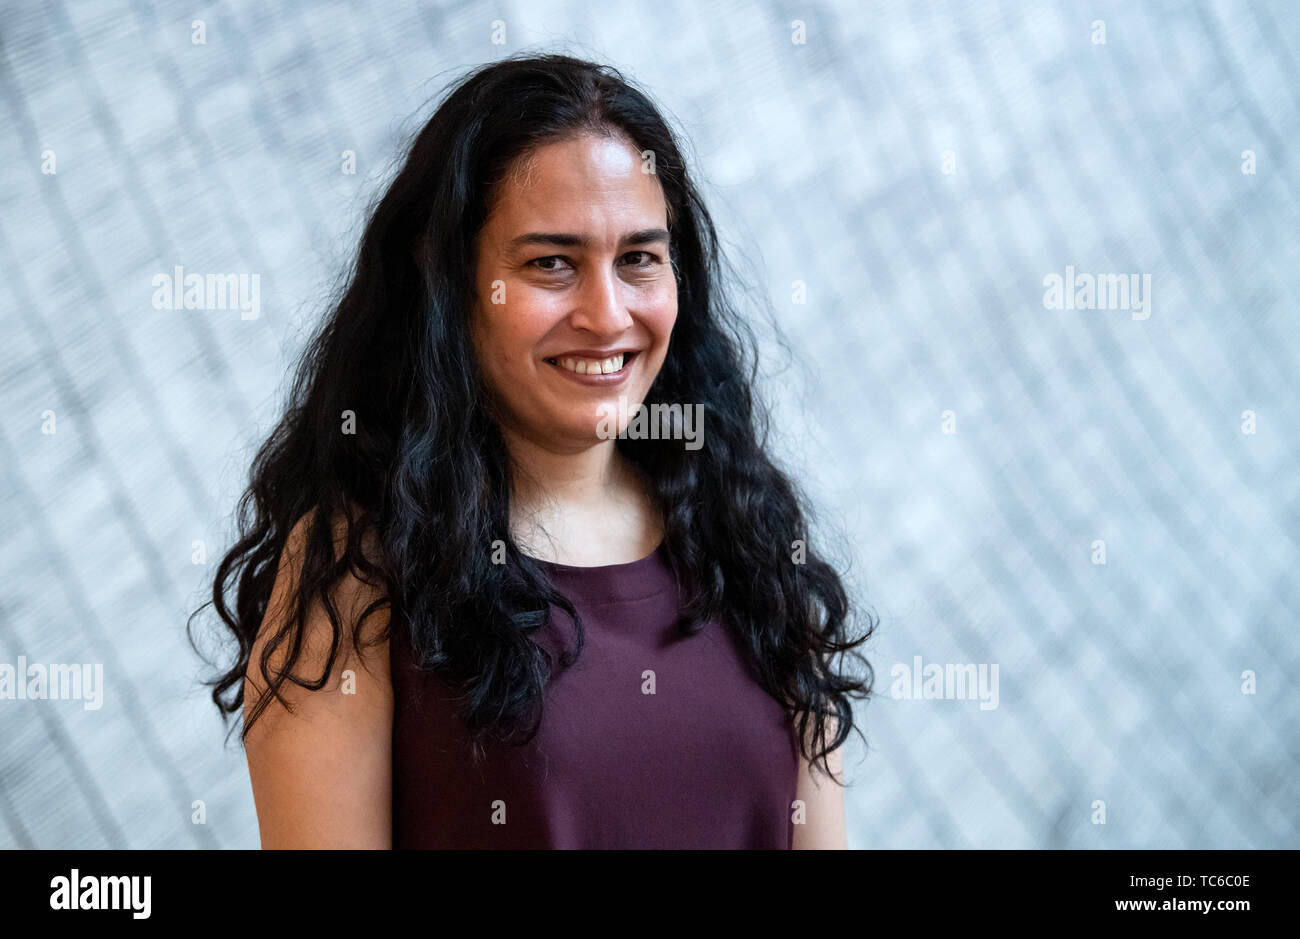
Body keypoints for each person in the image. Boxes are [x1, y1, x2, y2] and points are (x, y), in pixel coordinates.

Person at [193, 52, 874, 849]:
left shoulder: (747, 530)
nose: (607, 312)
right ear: (444, 275)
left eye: (639, 260)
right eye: (552, 263)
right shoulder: (358, 569)